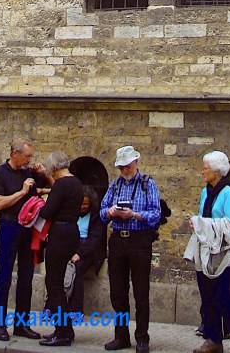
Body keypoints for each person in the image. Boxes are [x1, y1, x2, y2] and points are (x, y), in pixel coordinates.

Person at [189, 152, 230, 353]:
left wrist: (203, 224)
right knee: (207, 295)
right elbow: (203, 216)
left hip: (222, 252)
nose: (202, 171)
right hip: (205, 249)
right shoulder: (204, 192)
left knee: (222, 295)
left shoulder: (227, 193)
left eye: (205, 168)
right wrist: (197, 224)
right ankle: (213, 339)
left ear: (216, 171)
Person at [100, 145, 161, 353]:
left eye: (127, 166)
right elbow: (101, 212)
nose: (124, 170)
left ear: (136, 162)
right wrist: (110, 212)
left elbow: (156, 214)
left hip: (139, 239)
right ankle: (121, 335)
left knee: (141, 291)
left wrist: (134, 215)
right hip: (118, 239)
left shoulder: (147, 183)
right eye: (121, 167)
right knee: (118, 291)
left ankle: (142, 338)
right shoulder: (115, 185)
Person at [0, 139, 51, 342]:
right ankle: (0, 325)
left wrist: (44, 174)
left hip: (28, 228)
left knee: (26, 277)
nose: (29, 159)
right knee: (4, 276)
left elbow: (53, 187)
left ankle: (21, 324)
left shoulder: (29, 173)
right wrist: (22, 192)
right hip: (8, 226)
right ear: (14, 153)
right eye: (27, 156)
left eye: (31, 156)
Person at [38, 151, 85, 346]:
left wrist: (39, 204)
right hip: (72, 232)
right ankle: (65, 330)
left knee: (54, 283)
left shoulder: (61, 184)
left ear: (55, 168)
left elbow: (47, 212)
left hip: (59, 234)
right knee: (57, 282)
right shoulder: (76, 183)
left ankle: (62, 331)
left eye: (52, 171)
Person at [68, 186, 106, 319]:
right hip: (72, 247)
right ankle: (52, 307)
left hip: (88, 251)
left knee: (76, 271)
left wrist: (79, 254)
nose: (83, 207)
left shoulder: (96, 216)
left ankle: (76, 310)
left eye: (85, 204)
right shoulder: (71, 213)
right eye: (81, 204)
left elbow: (94, 240)